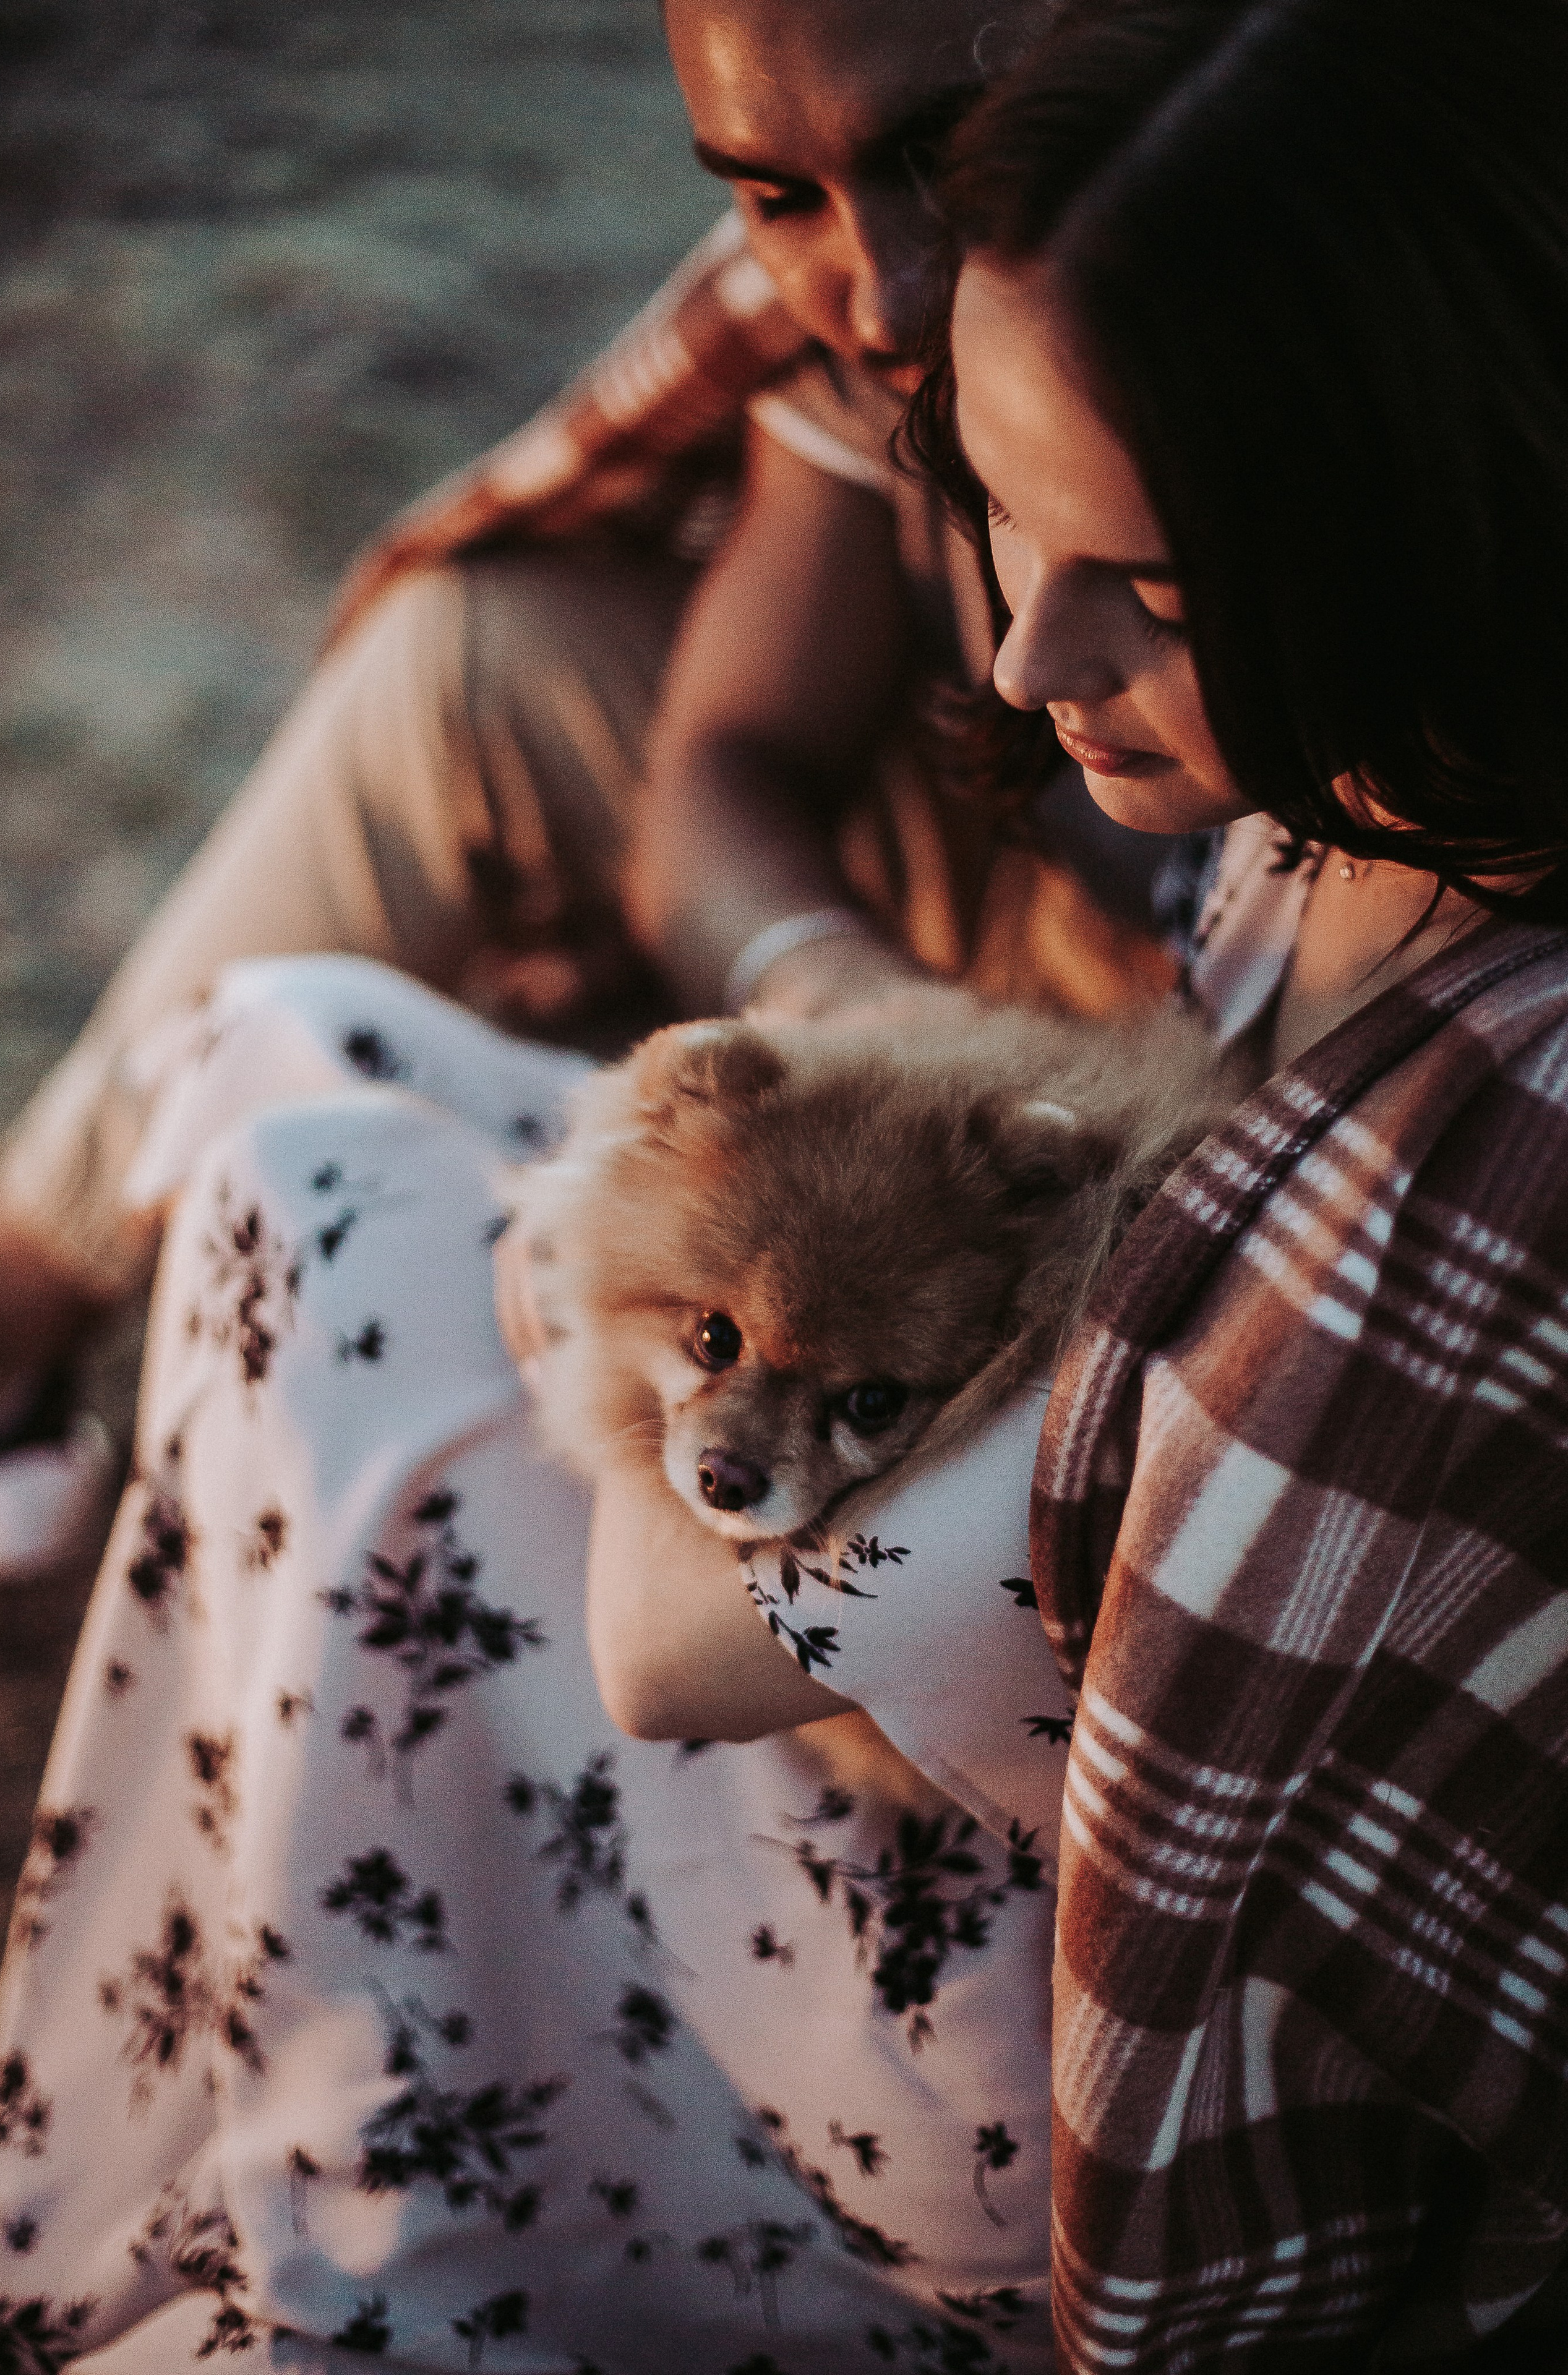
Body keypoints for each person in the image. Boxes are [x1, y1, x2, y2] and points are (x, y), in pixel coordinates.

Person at [581, 0, 1568, 2360]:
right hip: (933, 1700)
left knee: (318, 1261)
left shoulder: (1436, 1208)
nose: (1027, 657)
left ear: (1442, 507)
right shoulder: (1366, 786)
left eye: (1157, 582)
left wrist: (602, 1266)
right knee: (295, 1102)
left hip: (1003, 2056)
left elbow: (671, 1644)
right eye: (1004, 515)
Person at [0, 0, 1185, 1577]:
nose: (882, 289)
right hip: (1006, 883)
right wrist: (840, 993)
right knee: (473, 646)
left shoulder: (1236, 277)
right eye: (775, 196)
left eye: (940, 153)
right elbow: (720, 767)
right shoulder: (864, 348)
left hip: (1188, 1020)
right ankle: (18, 1292)